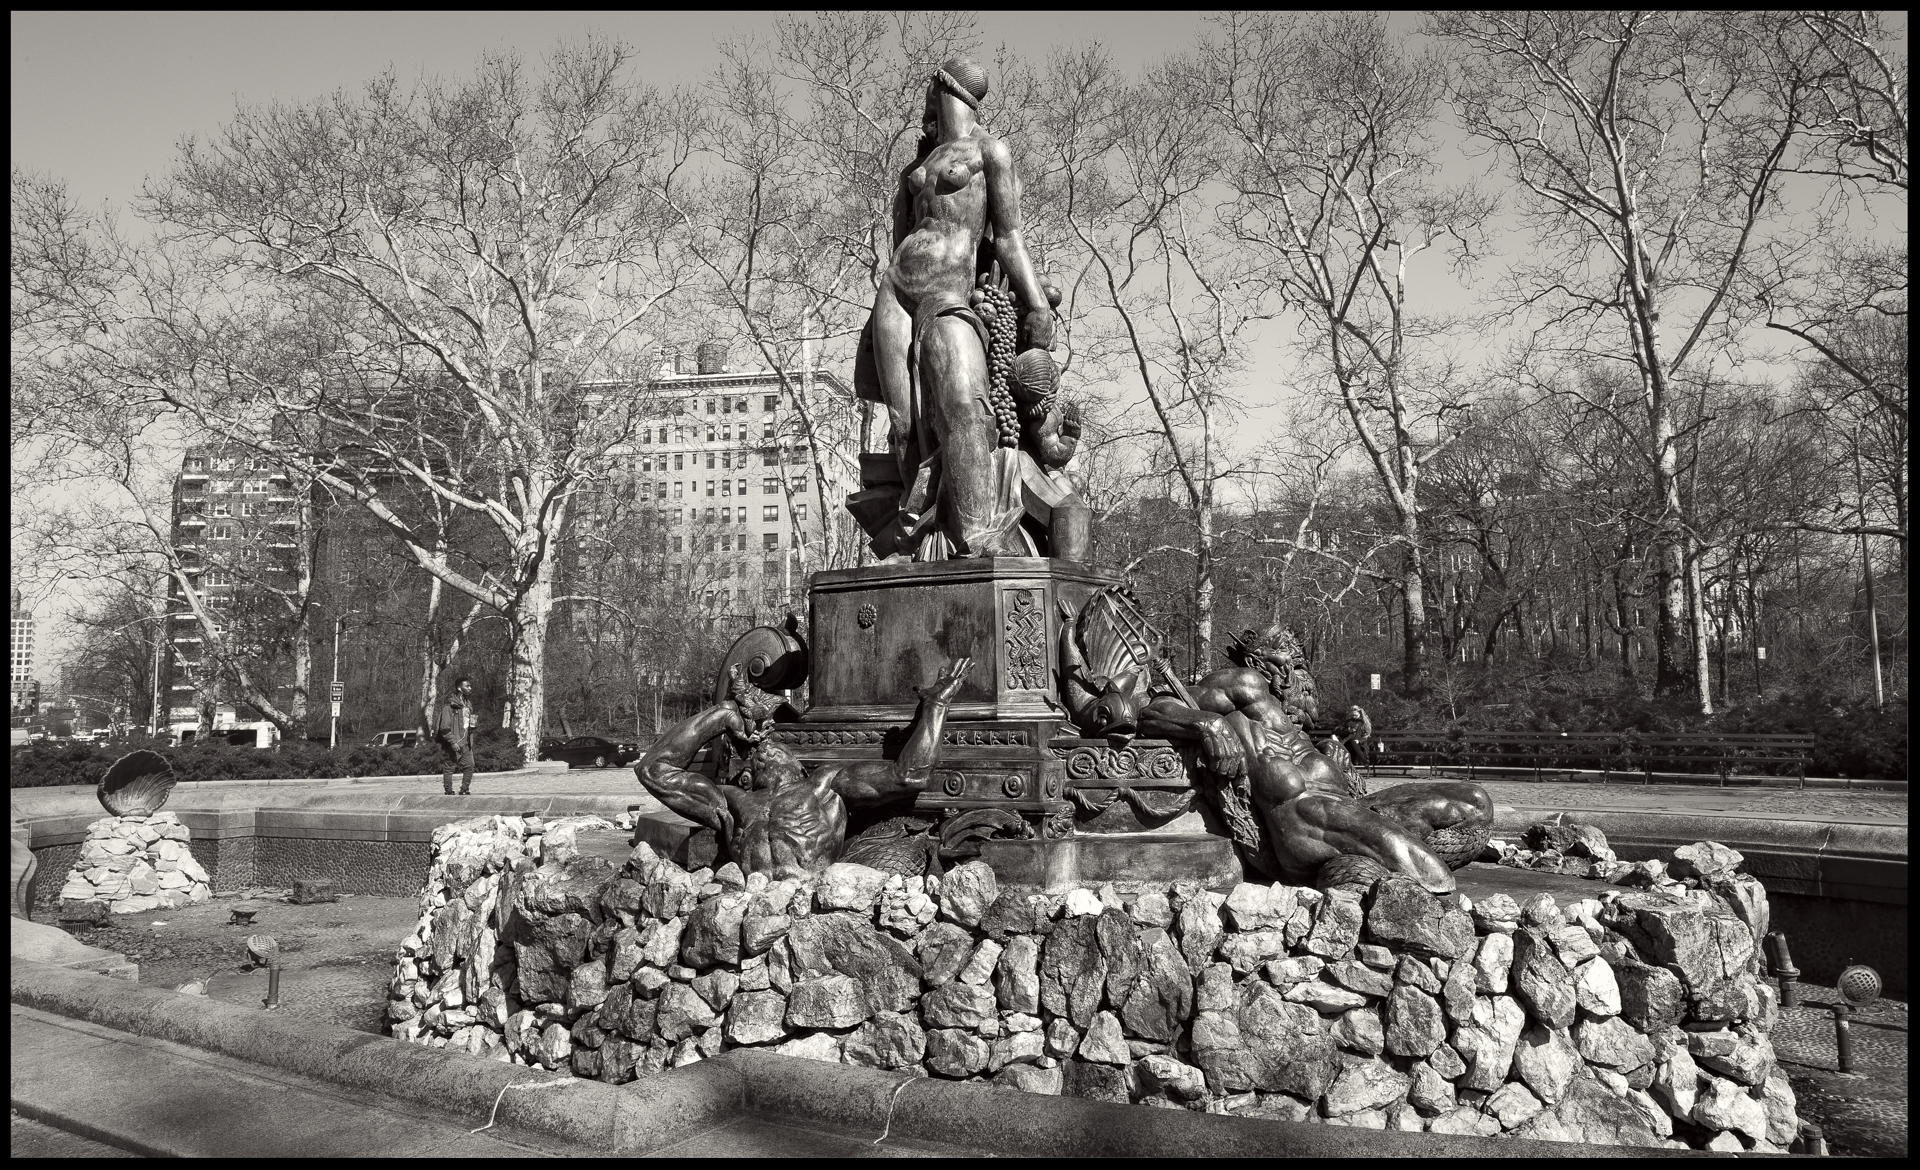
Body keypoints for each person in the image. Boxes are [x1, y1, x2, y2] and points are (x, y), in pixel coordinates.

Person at [853, 57, 1062, 560]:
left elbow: (1009, 237)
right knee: (906, 424)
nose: (927, 106)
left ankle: (978, 536)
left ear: (946, 91)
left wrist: (1035, 304)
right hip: (896, 294)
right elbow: (902, 238)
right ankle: (915, 534)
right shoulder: (914, 168)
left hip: (950, 296)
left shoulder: (990, 151)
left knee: (962, 407)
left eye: (932, 95)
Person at [1139, 627, 1491, 894]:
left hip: (1349, 808)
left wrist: (1329, 752)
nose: (1294, 669)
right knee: (1430, 874)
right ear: (1256, 659)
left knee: (1475, 804)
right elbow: (1153, 710)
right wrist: (1209, 725)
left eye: (1296, 659)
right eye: (1286, 656)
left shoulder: (1287, 713)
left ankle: (1357, 870)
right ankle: (1413, 900)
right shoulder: (1241, 685)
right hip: (1305, 824)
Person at [636, 658, 972, 877]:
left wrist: (936, 705)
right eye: (756, 752)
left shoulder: (824, 785)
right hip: (750, 910)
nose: (763, 749)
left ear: (799, 765)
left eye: (774, 746)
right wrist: (722, 715)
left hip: (812, 903)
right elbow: (652, 770)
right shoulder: (732, 801)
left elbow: (910, 775)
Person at [435, 675, 477, 796]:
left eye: (470, 686)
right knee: (449, 767)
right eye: (467, 686)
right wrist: (452, 742)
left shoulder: (468, 705)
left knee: (470, 765)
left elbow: (467, 724)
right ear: (459, 688)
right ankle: (448, 791)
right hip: (454, 742)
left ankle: (464, 789)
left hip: (467, 742)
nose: (470, 688)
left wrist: (473, 726)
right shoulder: (449, 706)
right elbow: (444, 727)